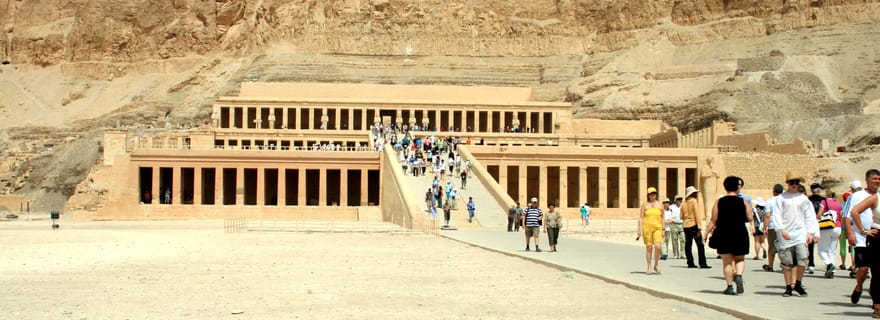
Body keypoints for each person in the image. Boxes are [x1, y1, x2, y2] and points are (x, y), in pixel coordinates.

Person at [769, 171, 819, 297]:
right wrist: (781, 229)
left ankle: (797, 283)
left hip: (800, 234)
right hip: (785, 235)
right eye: (792, 182)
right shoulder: (781, 199)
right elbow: (776, 215)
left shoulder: (803, 198)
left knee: (802, 259)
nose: (794, 185)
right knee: (787, 262)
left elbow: (810, 216)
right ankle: (788, 287)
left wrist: (811, 232)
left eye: (797, 183)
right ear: (787, 183)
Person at [704, 176, 754, 295]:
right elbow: (750, 217)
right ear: (737, 187)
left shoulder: (719, 202)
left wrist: (706, 233)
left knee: (727, 262)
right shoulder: (743, 201)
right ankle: (739, 275)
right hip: (740, 233)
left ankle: (730, 287)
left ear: (725, 187)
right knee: (740, 259)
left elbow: (713, 219)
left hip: (723, 233)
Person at [847, 170, 880, 317]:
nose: (877, 181)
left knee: (872, 272)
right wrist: (856, 232)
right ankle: (862, 290)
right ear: (867, 180)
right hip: (867, 238)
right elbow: (850, 214)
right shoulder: (860, 197)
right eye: (874, 179)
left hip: (869, 237)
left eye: (879, 179)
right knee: (866, 269)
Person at [681, 186, 711, 269]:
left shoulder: (683, 203)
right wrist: (699, 228)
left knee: (688, 244)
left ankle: (690, 262)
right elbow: (697, 215)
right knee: (700, 245)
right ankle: (702, 263)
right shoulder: (694, 201)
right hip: (693, 225)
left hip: (686, 225)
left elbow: (681, 216)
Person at [638, 187, 664, 275]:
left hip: (657, 227)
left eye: (655, 193)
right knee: (649, 248)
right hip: (647, 228)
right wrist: (639, 230)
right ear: (648, 195)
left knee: (658, 246)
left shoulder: (660, 205)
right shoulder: (645, 205)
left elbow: (663, 218)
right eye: (651, 193)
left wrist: (663, 229)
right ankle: (649, 267)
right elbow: (641, 218)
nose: (653, 195)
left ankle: (656, 265)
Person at [817, 190, 842, 278]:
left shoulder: (824, 202)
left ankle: (829, 264)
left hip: (827, 227)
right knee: (832, 251)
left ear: (827, 194)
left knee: (821, 249)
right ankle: (832, 271)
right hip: (838, 227)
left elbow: (819, 214)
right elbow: (841, 216)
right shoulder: (839, 204)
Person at [763, 184, 784, 272]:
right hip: (784, 226)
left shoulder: (770, 201)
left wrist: (765, 228)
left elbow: (767, 215)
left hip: (773, 226)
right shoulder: (785, 201)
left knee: (772, 246)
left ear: (774, 191)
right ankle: (785, 265)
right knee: (783, 246)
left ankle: (770, 265)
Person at [806, 182, 826, 274]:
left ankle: (811, 264)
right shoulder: (823, 200)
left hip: (811, 222)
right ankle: (828, 263)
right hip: (823, 223)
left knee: (810, 245)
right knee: (825, 245)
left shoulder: (808, 200)